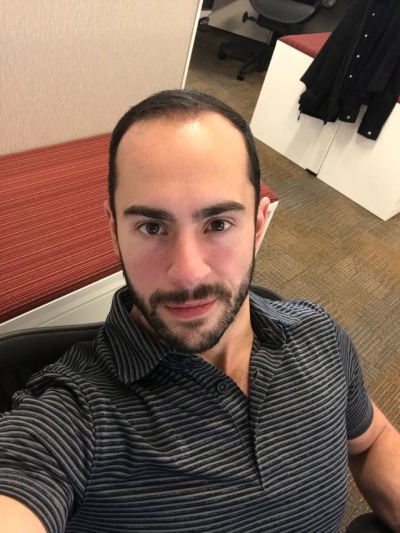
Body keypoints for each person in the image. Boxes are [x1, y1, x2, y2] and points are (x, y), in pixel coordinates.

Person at [0, 89, 399, 532]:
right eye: (152, 227)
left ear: (258, 226)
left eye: (218, 224)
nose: (188, 272)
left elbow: (370, 440)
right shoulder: (72, 416)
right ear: (114, 231)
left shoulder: (318, 333)